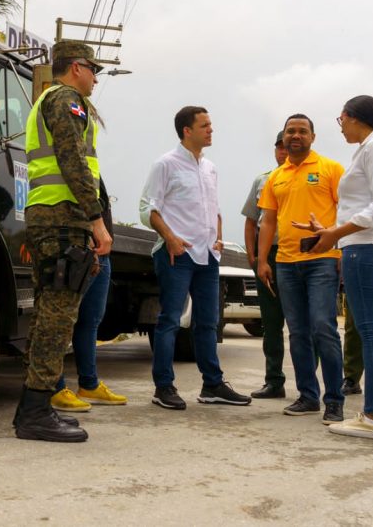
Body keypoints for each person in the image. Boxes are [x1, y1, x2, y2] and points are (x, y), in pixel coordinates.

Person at [13, 40, 112, 443]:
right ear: (76, 67)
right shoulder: (67, 100)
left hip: (49, 217)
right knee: (57, 319)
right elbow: (72, 160)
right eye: (94, 70)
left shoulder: (46, 100)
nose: (96, 78)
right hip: (63, 219)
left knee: (47, 316)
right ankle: (35, 413)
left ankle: (33, 407)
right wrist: (96, 220)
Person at [296, 96, 373, 441]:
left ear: (351, 117)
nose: (341, 127)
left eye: (340, 120)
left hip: (369, 248)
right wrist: (330, 229)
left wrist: (336, 234)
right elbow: (366, 204)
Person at [140, 106, 251, 410]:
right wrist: (171, 239)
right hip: (177, 254)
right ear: (187, 131)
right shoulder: (165, 164)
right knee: (170, 321)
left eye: (211, 124)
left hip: (207, 255)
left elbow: (214, 209)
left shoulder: (210, 168)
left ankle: (212, 385)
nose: (211, 130)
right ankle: (163, 387)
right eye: (205, 125)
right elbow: (147, 209)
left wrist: (219, 238)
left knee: (208, 322)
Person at [256, 114, 345, 423]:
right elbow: (268, 221)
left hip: (323, 260)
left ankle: (334, 400)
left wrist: (342, 250)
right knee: (297, 332)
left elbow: (346, 212)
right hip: (285, 263)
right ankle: (308, 396)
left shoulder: (330, 169)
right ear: (284, 137)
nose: (296, 135)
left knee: (323, 327)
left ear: (313, 137)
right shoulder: (276, 176)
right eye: (290, 131)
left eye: (302, 131)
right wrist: (262, 260)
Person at [51, 179, 127, 412]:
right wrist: (87, 238)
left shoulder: (93, 165)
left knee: (91, 319)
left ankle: (89, 385)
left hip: (101, 252)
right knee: (61, 319)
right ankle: (54, 387)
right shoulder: (72, 159)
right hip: (81, 247)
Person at [241, 130, 289, 399]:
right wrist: (254, 256)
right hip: (268, 255)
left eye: (287, 146)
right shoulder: (263, 180)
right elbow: (251, 221)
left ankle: (309, 384)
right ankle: (274, 381)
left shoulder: (311, 176)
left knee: (306, 324)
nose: (283, 151)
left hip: (298, 254)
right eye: (279, 147)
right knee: (271, 323)